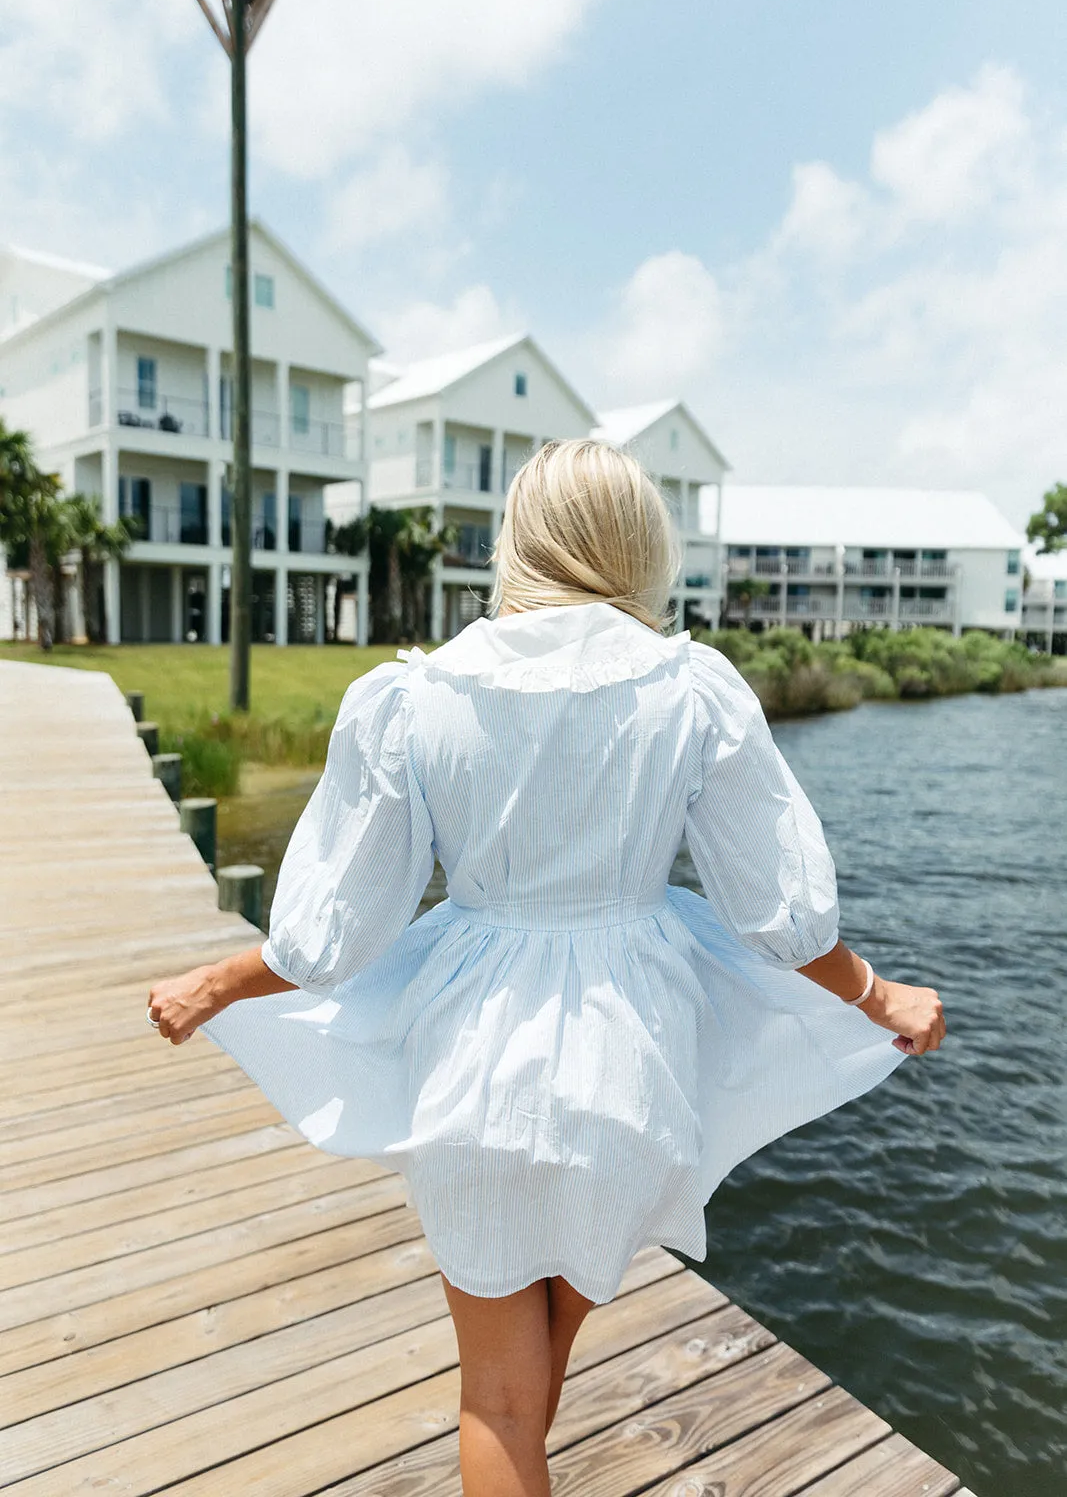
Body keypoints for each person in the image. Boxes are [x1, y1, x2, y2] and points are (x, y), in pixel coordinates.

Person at [148, 439, 944, 1497]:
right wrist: (878, 994)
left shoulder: (416, 697)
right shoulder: (687, 688)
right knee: (534, 1393)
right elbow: (779, 917)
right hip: (632, 1067)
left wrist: (214, 985)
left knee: (496, 1403)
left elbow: (335, 930)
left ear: (520, 540)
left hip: (469, 1061)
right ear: (636, 546)